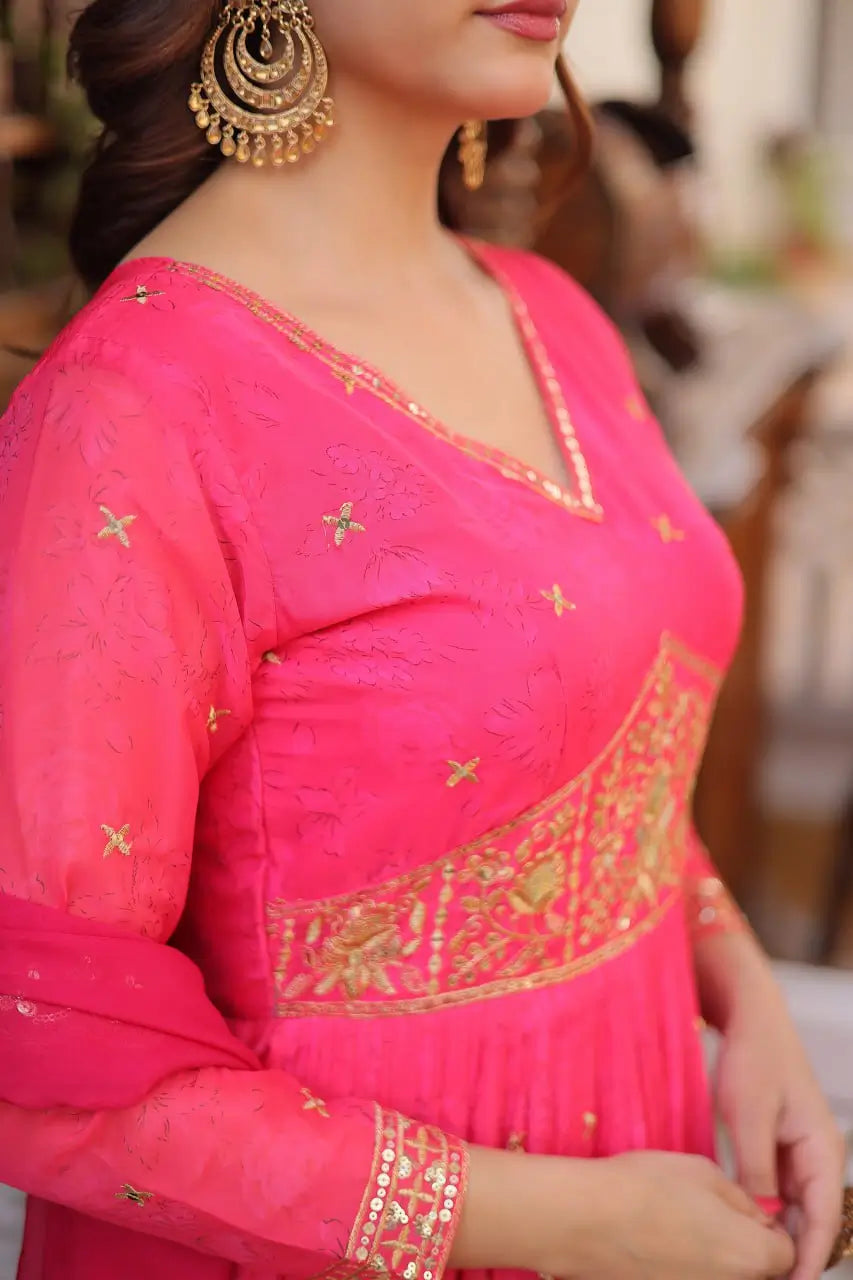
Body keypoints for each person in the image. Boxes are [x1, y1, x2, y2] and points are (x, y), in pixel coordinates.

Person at [0, 2, 845, 1279]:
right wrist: (567, 1223)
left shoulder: (547, 311)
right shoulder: (133, 408)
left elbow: (586, 766)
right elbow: (41, 1061)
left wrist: (737, 982)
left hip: (641, 1161)